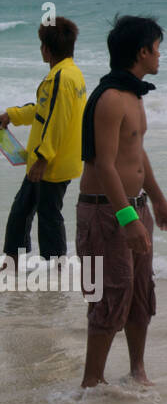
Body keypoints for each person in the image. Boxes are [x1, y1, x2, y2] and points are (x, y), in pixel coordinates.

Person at [77, 16, 167, 388]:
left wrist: (159, 201)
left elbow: (136, 154)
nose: (159, 56)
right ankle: (91, 383)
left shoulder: (134, 95)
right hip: (105, 211)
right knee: (108, 295)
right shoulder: (110, 99)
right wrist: (127, 218)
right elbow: (104, 165)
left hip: (135, 205)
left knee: (139, 294)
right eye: (156, 48)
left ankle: (137, 372)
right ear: (142, 51)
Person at [2, 16, 87, 268]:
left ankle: (57, 267)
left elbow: (56, 122)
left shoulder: (61, 79)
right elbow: (42, 111)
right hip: (50, 160)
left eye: (41, 44)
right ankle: (13, 261)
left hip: (51, 163)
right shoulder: (70, 73)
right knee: (21, 210)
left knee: (49, 216)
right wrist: (11, 115)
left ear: (46, 49)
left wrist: (42, 157)